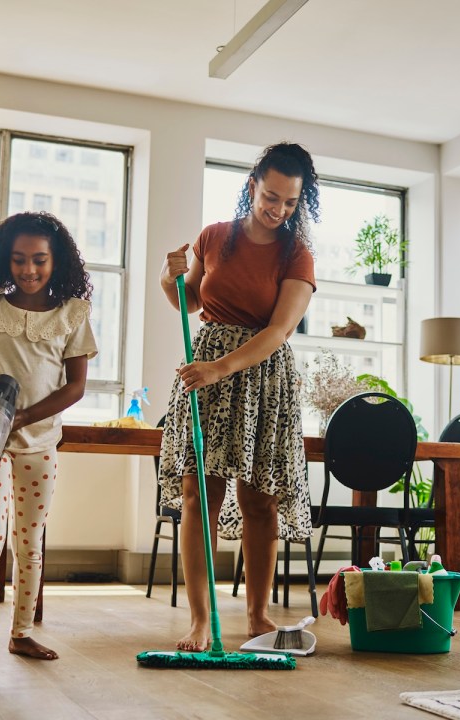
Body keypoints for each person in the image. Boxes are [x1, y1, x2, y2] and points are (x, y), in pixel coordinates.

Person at [158, 142, 320, 651]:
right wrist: (170, 276)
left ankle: (256, 616)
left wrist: (220, 368)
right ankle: (200, 622)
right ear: (252, 185)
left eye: (290, 202)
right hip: (204, 372)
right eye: (271, 196)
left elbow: (279, 331)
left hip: (260, 377)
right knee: (198, 497)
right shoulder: (215, 237)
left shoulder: (297, 253)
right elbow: (189, 301)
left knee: (259, 501)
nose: (279, 209)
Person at [0, 211, 97, 679]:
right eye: (18, 260)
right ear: (5, 260)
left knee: (28, 539)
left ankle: (20, 634)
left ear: (57, 262)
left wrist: (25, 416)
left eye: (39, 260)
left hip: (40, 443)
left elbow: (75, 386)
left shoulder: (72, 314)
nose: (28, 269)